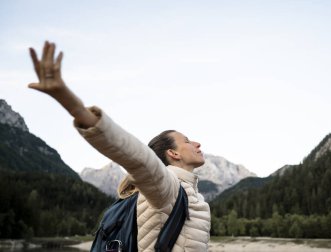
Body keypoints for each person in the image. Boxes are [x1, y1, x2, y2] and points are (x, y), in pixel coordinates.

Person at [28, 41, 211, 251]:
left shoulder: (189, 194)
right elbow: (136, 156)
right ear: (173, 153)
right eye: (187, 141)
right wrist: (72, 104)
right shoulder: (167, 187)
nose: (197, 143)